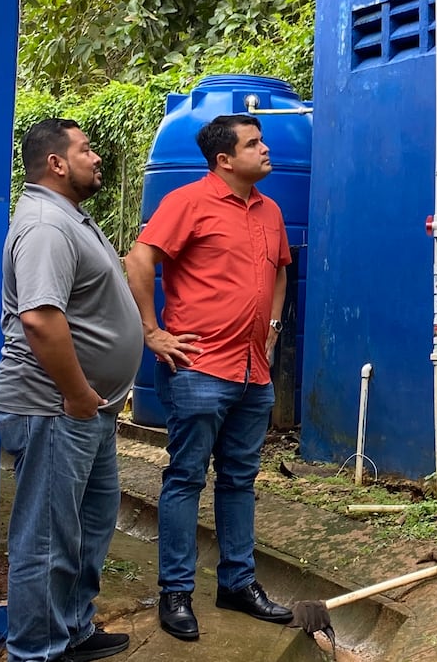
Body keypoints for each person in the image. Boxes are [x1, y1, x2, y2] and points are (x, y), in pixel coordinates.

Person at [124, 114, 294, 642]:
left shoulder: (271, 211)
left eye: (262, 141)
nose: (265, 149)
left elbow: (280, 270)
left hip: (253, 372)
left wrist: (272, 328)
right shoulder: (188, 203)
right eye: (253, 144)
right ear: (225, 159)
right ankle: (175, 592)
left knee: (240, 480)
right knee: (186, 478)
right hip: (199, 369)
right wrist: (152, 332)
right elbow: (139, 259)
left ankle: (237, 584)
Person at [0, 119, 144, 662]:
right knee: (47, 539)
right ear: (56, 163)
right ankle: (36, 650)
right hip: (54, 407)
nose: (97, 156)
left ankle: (72, 630)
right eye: (86, 149)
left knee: (90, 526)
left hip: (83, 410)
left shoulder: (68, 217)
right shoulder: (45, 226)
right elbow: (39, 318)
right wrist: (78, 393)